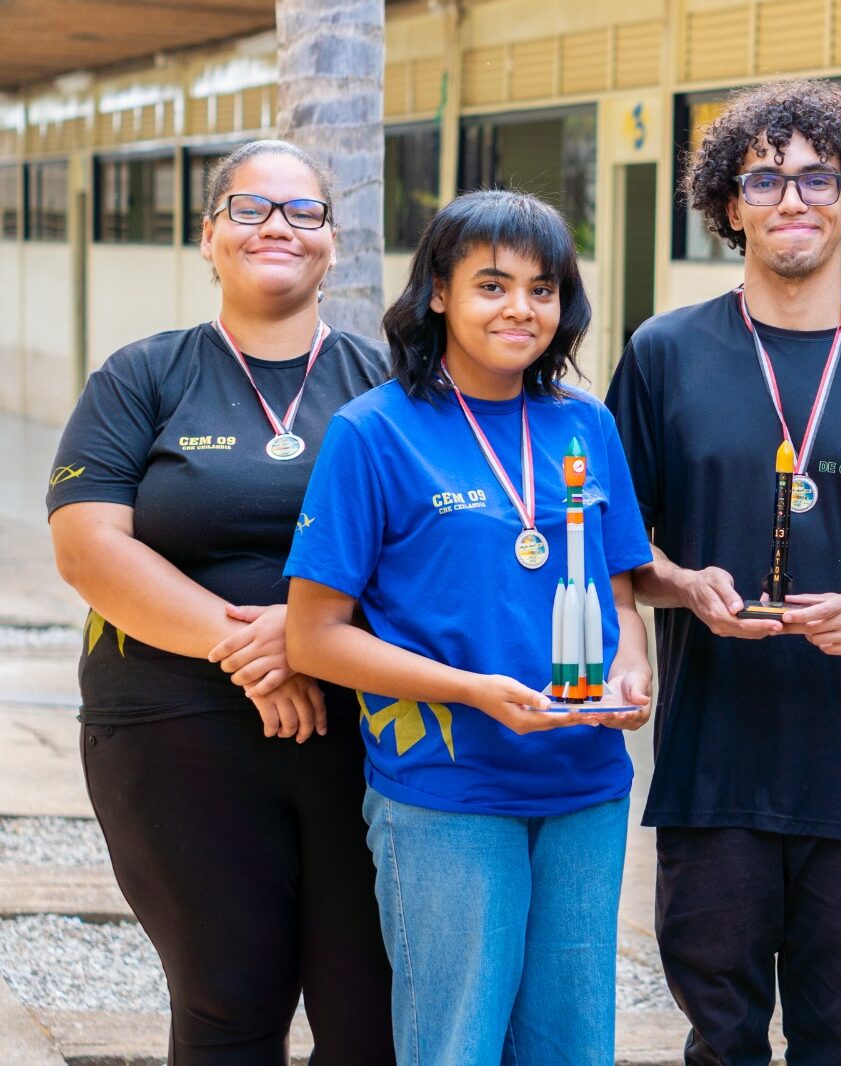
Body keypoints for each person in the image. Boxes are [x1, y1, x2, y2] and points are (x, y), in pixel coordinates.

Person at [605, 79, 841, 1064]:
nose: (791, 198)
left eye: (817, 178)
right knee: (720, 1041)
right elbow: (611, 542)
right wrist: (680, 588)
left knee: (832, 1040)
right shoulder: (664, 355)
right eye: (763, 178)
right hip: (707, 774)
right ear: (728, 204)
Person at [283, 189, 654, 1066]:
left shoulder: (585, 425)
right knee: (457, 1046)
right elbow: (315, 637)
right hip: (448, 790)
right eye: (492, 285)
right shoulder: (374, 434)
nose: (521, 308)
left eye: (543, 288)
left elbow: (621, 593)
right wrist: (471, 691)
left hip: (585, 782)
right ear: (439, 294)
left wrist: (633, 673)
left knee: (573, 1047)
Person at [46, 140, 393, 1065]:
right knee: (227, 1006)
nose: (277, 225)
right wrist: (245, 646)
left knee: (373, 1017)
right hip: (172, 731)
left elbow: (440, 548)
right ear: (209, 237)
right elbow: (88, 547)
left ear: (333, 243)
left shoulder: (389, 384)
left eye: (303, 211)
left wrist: (314, 634)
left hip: (365, 734)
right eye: (249, 208)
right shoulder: (144, 376)